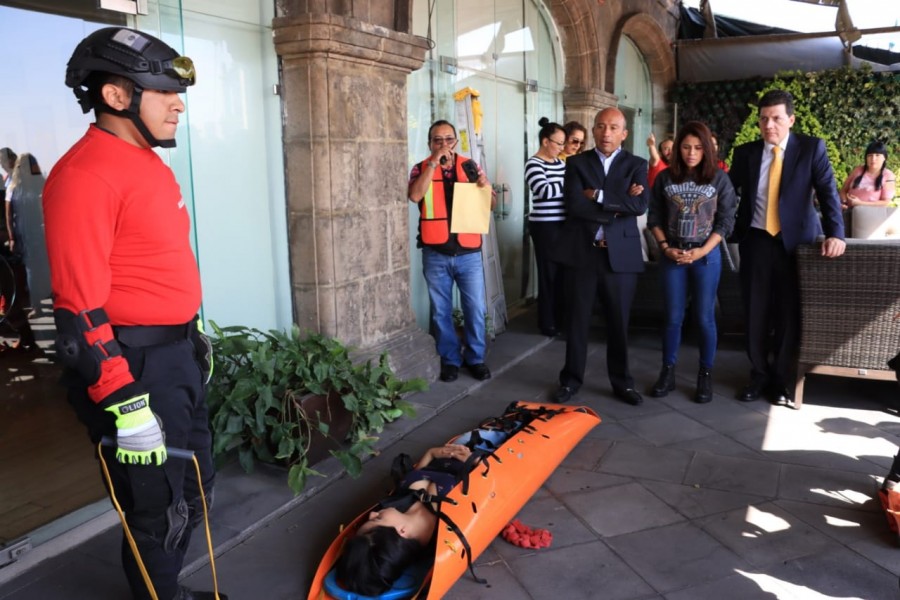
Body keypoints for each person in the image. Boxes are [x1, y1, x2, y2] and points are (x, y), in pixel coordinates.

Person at [42, 28, 223, 600]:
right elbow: (77, 311)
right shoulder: (84, 173)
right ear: (117, 96)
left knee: (194, 489)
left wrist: (188, 343)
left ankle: (165, 592)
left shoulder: (146, 162)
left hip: (173, 357)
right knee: (156, 509)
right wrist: (124, 403)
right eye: (162, 90)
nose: (178, 103)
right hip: (133, 367)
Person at [728, 89, 845, 405]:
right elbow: (726, 193)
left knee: (787, 313)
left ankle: (780, 379)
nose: (769, 125)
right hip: (756, 241)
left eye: (776, 118)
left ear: (790, 120)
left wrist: (837, 234)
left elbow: (828, 192)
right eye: (764, 119)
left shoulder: (811, 149)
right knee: (755, 312)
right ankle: (758, 376)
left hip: (796, 245)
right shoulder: (746, 153)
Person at [552, 107, 649, 406]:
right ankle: (570, 381)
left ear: (624, 133)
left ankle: (622, 383)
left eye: (613, 127)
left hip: (621, 257)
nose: (606, 133)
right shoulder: (577, 163)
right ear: (593, 130)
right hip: (583, 254)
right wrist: (620, 202)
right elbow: (574, 206)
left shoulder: (637, 163)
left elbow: (640, 206)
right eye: (601, 126)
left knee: (618, 323)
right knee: (577, 321)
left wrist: (599, 196)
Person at [647, 121, 737, 403]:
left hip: (705, 257)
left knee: (704, 317)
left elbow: (725, 222)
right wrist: (664, 247)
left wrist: (702, 251)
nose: (691, 152)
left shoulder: (719, 178)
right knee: (673, 317)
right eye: (686, 146)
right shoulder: (665, 178)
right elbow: (654, 217)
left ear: (707, 149)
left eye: (698, 147)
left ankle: (705, 374)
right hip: (672, 255)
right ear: (676, 149)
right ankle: (668, 371)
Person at [409, 120, 493, 383]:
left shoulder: (470, 166)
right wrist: (433, 162)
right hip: (436, 252)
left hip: (468, 253)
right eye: (437, 140)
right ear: (430, 143)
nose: (443, 144)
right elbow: (414, 196)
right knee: (440, 311)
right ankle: (450, 360)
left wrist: (484, 185)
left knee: (475, 308)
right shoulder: (420, 168)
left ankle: (476, 358)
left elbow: (490, 204)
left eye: (448, 139)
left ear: (456, 141)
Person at [526, 117, 567, 337]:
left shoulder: (560, 163)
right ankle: (547, 322)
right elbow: (545, 191)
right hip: (544, 226)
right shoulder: (533, 163)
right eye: (558, 143)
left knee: (561, 274)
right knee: (548, 274)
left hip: (562, 225)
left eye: (563, 144)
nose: (561, 148)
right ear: (545, 141)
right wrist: (569, 183)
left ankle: (559, 319)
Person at [5, 153, 51, 314]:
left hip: (28, 231)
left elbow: (8, 215)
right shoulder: (38, 185)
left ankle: (37, 305)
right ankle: (37, 304)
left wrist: (11, 237)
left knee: (33, 269)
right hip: (33, 231)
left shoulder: (14, 188)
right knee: (37, 268)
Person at [840, 140, 895, 209]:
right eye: (870, 155)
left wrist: (860, 203)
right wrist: (844, 202)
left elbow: (885, 202)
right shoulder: (858, 170)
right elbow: (843, 190)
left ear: (884, 158)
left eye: (877, 155)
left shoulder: (888, 175)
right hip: (848, 210)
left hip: (870, 214)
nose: (873, 159)